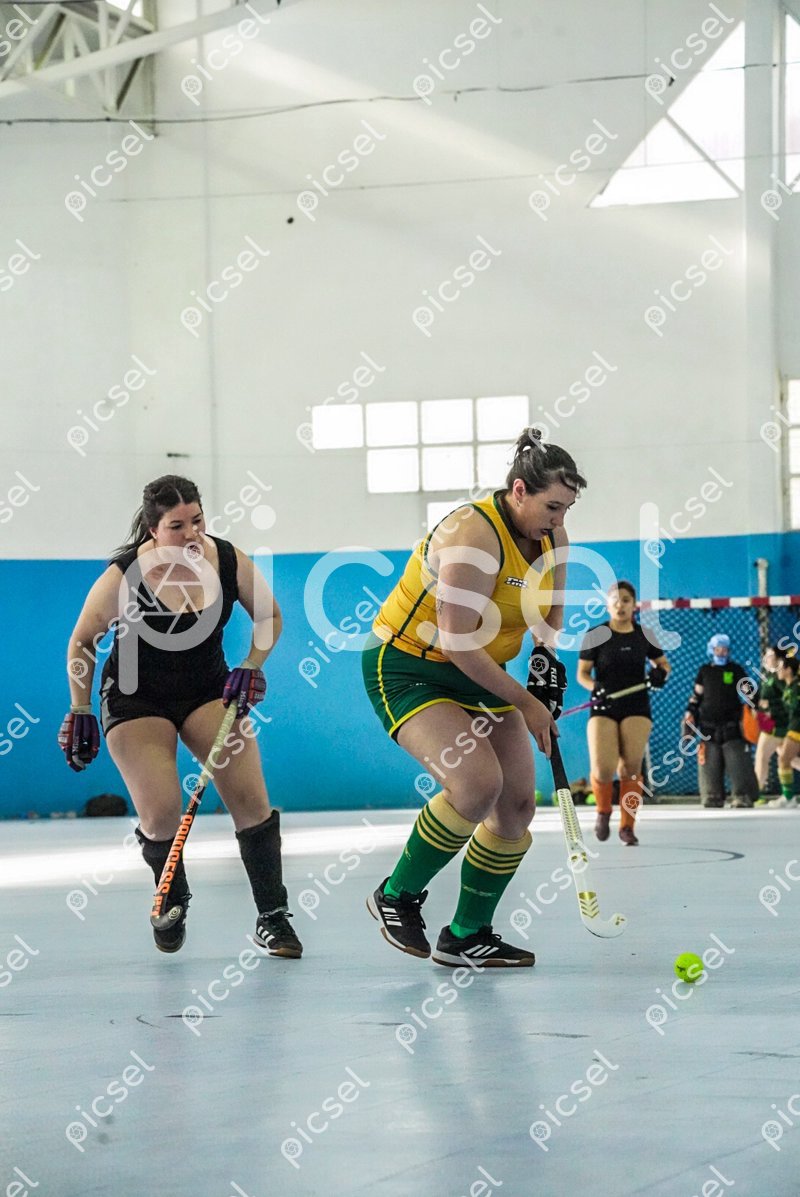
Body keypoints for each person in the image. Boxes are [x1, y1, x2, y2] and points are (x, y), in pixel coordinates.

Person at [362, 428, 583, 968]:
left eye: (567, 508)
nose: (559, 518)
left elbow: (550, 609)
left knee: (517, 805)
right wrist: (526, 704)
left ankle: (466, 934)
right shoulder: (472, 536)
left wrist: (545, 662)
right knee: (477, 783)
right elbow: (457, 642)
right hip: (411, 666)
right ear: (519, 491)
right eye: (552, 506)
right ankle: (396, 894)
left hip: (482, 674)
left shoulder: (553, 536)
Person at [58, 475, 302, 958]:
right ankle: (172, 891)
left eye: (197, 521)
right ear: (153, 530)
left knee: (251, 801)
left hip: (207, 691)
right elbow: (83, 641)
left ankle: (273, 917)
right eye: (176, 526)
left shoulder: (227, 560)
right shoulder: (124, 576)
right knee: (162, 811)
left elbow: (270, 617)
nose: (191, 533)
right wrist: (80, 707)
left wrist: (251, 665)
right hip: (135, 697)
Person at [576, 581, 669, 846]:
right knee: (603, 769)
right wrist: (596, 688)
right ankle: (603, 811)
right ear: (607, 604)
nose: (620, 605)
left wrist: (660, 673)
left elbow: (663, 665)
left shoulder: (645, 635)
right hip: (603, 705)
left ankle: (627, 826)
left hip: (636, 706)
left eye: (626, 600)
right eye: (616, 600)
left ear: (634, 605)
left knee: (630, 768)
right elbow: (582, 674)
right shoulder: (596, 634)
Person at [684, 632, 759, 809]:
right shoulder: (705, 671)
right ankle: (712, 796)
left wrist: (755, 705)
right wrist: (690, 712)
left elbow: (749, 692)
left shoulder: (735, 670)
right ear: (711, 650)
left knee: (738, 761)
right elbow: (696, 696)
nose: (722, 652)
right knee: (710, 763)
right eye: (718, 649)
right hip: (707, 726)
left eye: (725, 649)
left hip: (732, 725)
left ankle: (743, 796)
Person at [769, 651, 800, 809]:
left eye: (781, 667)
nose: (778, 670)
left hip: (797, 728)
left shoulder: (797, 687)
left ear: (788, 670)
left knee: (784, 759)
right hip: (793, 727)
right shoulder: (788, 686)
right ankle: (788, 797)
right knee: (784, 757)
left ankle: (788, 797)